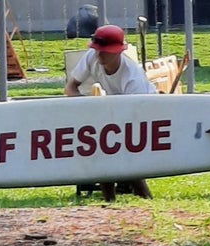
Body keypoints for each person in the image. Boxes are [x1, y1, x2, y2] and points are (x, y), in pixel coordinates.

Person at [65, 23, 153, 200]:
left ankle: (141, 197)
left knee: (121, 154)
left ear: (119, 51)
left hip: (145, 110)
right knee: (104, 150)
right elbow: (70, 87)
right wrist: (87, 108)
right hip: (113, 108)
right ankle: (112, 199)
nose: (100, 54)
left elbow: (136, 115)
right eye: (98, 49)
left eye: (105, 51)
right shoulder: (92, 57)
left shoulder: (133, 78)